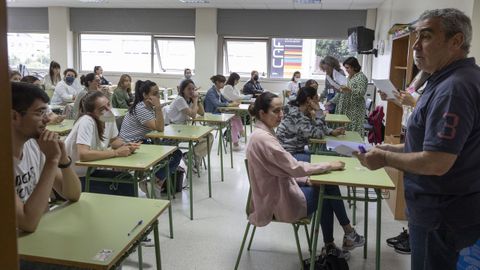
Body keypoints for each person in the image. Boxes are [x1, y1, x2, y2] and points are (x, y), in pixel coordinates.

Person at [355, 8, 480, 270]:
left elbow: (437, 161)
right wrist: (394, 148)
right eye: (415, 37)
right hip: (441, 209)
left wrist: (386, 158)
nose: (415, 46)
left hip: (442, 213)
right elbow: (434, 143)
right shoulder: (446, 80)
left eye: (425, 36)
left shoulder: (454, 89)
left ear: (456, 41)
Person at [245, 92, 348, 257]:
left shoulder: (262, 133)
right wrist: (328, 165)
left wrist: (307, 180)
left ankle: (340, 238)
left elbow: (284, 168)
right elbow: (293, 167)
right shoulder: (265, 139)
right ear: (262, 113)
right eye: (276, 111)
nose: (281, 115)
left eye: (281, 110)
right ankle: (341, 236)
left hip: (274, 191)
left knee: (324, 184)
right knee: (326, 189)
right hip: (277, 201)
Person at [276, 87, 364, 255]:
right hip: (291, 158)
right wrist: (319, 113)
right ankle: (347, 231)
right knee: (328, 182)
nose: (318, 102)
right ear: (309, 100)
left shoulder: (301, 112)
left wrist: (331, 131)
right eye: (316, 99)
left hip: (296, 153)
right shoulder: (295, 114)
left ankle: (338, 239)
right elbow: (314, 133)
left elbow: (316, 130)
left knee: (326, 184)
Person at [12, 82, 81, 233]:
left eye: (46, 113)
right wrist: (51, 160)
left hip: (39, 236)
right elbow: (27, 223)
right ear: (14, 116)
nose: (46, 120)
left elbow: (73, 194)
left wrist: (63, 159)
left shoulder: (35, 146)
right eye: (39, 113)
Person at [64, 91, 140, 195]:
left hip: (90, 172)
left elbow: (114, 141)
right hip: (72, 178)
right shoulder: (87, 121)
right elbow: (83, 154)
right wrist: (116, 153)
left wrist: (126, 146)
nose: (108, 110)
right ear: (91, 113)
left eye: (108, 104)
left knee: (127, 179)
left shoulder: (108, 117)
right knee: (119, 188)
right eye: (102, 109)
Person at [119, 80, 182, 192]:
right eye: (154, 93)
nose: (158, 96)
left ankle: (155, 182)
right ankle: (153, 182)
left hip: (141, 142)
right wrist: (158, 107)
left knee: (174, 151)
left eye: (158, 93)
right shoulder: (141, 108)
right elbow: (159, 128)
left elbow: (158, 128)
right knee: (175, 155)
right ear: (145, 95)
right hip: (132, 144)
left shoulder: (147, 108)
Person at [165, 79, 213, 169]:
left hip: (183, 128)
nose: (191, 91)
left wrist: (197, 100)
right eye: (189, 89)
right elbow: (193, 115)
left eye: (193, 89)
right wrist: (195, 100)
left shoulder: (189, 99)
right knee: (207, 138)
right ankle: (193, 157)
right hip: (173, 129)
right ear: (183, 90)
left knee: (209, 136)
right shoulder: (180, 100)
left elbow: (202, 113)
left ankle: (190, 155)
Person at [328, 57, 368, 135]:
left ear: (354, 67)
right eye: (345, 68)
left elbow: (361, 93)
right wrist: (331, 101)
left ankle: (354, 146)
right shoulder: (350, 77)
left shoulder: (361, 77)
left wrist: (349, 90)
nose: (346, 70)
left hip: (354, 109)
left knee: (353, 130)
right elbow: (342, 92)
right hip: (346, 108)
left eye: (348, 68)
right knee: (345, 130)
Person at [204, 75, 243, 150]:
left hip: (217, 113)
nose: (224, 84)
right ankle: (236, 143)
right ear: (217, 82)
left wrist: (232, 102)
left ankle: (240, 136)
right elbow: (217, 103)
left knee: (236, 116)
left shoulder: (218, 91)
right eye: (222, 82)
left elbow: (224, 100)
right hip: (211, 116)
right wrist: (229, 104)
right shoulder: (211, 92)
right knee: (233, 118)